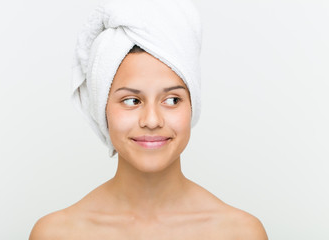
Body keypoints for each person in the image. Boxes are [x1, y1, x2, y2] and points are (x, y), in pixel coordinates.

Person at [30, 0, 268, 239]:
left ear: (192, 106)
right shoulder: (56, 233)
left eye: (172, 100)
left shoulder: (240, 232)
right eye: (132, 101)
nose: (152, 120)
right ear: (102, 110)